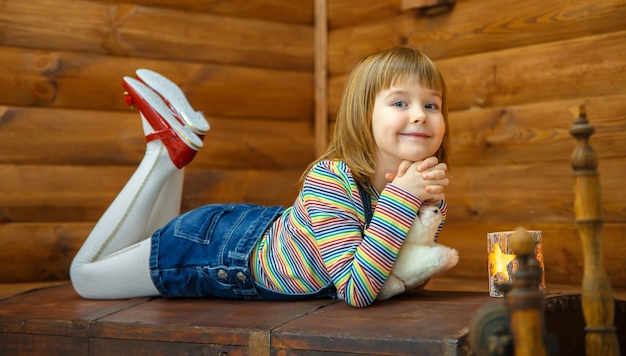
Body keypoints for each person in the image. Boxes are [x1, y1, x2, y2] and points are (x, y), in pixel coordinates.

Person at [70, 47, 450, 308]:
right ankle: (162, 154)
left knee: (134, 243)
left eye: (431, 104)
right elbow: (355, 289)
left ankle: (174, 148)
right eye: (400, 102)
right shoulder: (333, 178)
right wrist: (401, 197)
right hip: (211, 251)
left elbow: (399, 270)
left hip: (249, 230)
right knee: (85, 279)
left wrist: (418, 202)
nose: (420, 114)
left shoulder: (418, 187)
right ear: (361, 114)